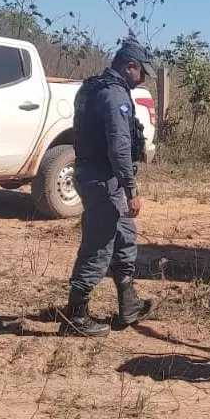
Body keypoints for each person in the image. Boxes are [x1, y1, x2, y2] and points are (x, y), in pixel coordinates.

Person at [59, 39, 158, 337]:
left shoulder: (91, 87)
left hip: (99, 175)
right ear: (130, 66)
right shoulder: (114, 96)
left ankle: (128, 304)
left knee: (124, 237)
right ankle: (75, 315)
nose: (142, 79)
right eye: (142, 72)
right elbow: (119, 146)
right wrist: (131, 189)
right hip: (104, 180)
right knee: (99, 245)